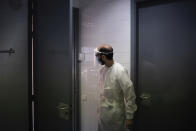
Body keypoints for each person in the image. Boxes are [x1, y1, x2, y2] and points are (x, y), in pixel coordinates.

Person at [95, 44, 137, 131]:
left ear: (103, 57)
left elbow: (130, 95)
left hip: (115, 116)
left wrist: (129, 117)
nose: (96, 58)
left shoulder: (120, 71)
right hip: (103, 115)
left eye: (97, 56)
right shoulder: (102, 71)